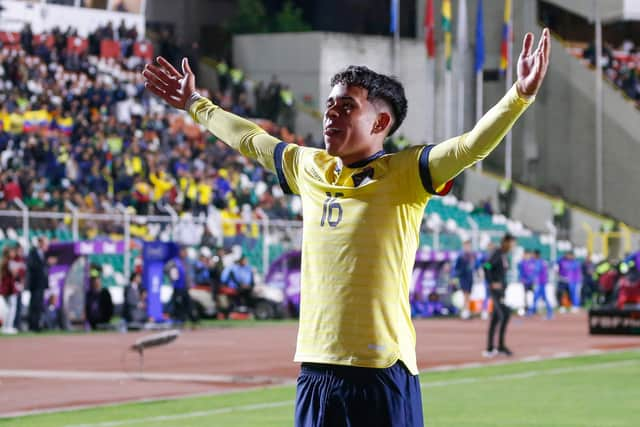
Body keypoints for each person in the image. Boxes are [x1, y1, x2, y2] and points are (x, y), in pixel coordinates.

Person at [143, 27, 550, 427]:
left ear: (380, 123)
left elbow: (470, 145)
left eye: (347, 106)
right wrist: (195, 103)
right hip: (317, 370)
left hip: (380, 370)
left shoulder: (407, 172)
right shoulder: (308, 167)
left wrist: (519, 95)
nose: (331, 114)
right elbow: (251, 139)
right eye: (329, 105)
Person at [483, 233, 516, 357]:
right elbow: (486, 266)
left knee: (496, 318)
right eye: (512, 243)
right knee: (505, 314)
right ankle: (498, 346)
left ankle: (491, 348)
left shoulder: (504, 255)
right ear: (506, 242)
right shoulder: (497, 253)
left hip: (501, 291)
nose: (513, 246)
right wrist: (492, 283)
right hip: (495, 291)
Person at [27, 237, 51, 332]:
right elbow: (33, 266)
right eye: (45, 244)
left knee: (39, 305)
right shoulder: (33, 253)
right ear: (40, 243)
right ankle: (32, 325)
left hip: (41, 284)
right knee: (34, 305)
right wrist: (45, 263)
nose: (47, 246)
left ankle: (37, 325)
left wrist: (47, 264)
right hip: (35, 284)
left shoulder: (44, 255)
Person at [453, 240, 475, 319]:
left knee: (468, 294)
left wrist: (481, 272)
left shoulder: (472, 256)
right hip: (463, 277)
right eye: (466, 246)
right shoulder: (461, 256)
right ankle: (465, 311)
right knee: (465, 294)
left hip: (470, 277)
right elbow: (456, 268)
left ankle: (467, 310)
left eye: (469, 246)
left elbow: (479, 265)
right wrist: (455, 277)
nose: (468, 248)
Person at [529, 249, 552, 319]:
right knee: (538, 297)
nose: (532, 256)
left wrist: (532, 279)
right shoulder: (542, 262)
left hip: (540, 282)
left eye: (533, 254)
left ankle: (549, 312)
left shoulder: (539, 262)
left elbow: (536, 272)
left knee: (540, 297)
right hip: (542, 282)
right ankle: (532, 311)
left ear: (536, 255)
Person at [1, 246, 19, 334]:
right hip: (9, 288)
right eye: (12, 252)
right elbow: (14, 273)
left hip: (5, 288)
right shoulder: (8, 262)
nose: (14, 254)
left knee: (7, 308)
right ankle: (8, 326)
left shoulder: (3, 262)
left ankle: (6, 326)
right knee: (11, 308)